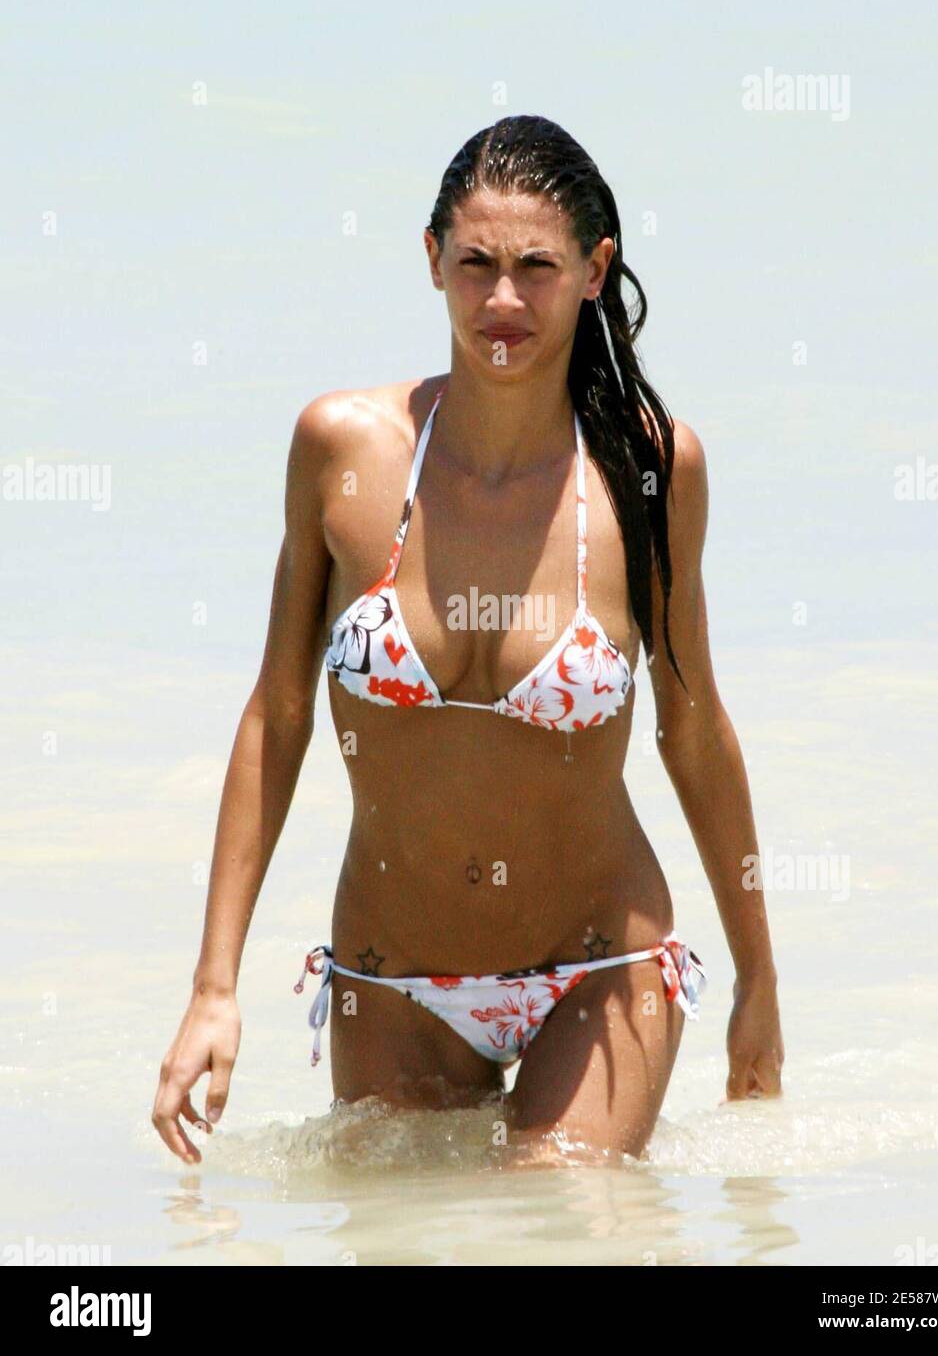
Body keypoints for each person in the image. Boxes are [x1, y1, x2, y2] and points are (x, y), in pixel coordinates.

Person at [152, 114, 783, 1167]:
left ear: (594, 270)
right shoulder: (342, 451)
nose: (502, 300)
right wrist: (213, 987)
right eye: (475, 263)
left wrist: (759, 984)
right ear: (431, 259)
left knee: (549, 1225)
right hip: (390, 984)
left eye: (536, 267)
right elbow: (278, 714)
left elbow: (693, 728)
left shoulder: (648, 469)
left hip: (597, 968)